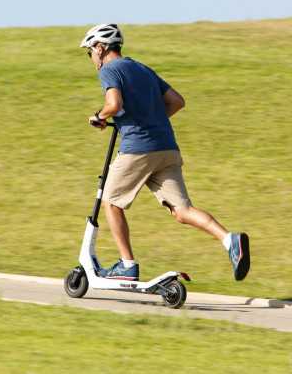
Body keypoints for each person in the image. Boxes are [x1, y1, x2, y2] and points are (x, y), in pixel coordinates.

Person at [80, 23, 250, 282]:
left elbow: (114, 104)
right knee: (182, 210)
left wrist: (99, 116)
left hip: (138, 149)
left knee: (111, 202)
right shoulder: (142, 69)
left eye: (89, 52)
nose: (91, 58)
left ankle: (127, 265)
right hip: (166, 147)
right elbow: (177, 101)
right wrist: (152, 120)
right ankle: (230, 240)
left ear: (101, 48)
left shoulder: (110, 69)